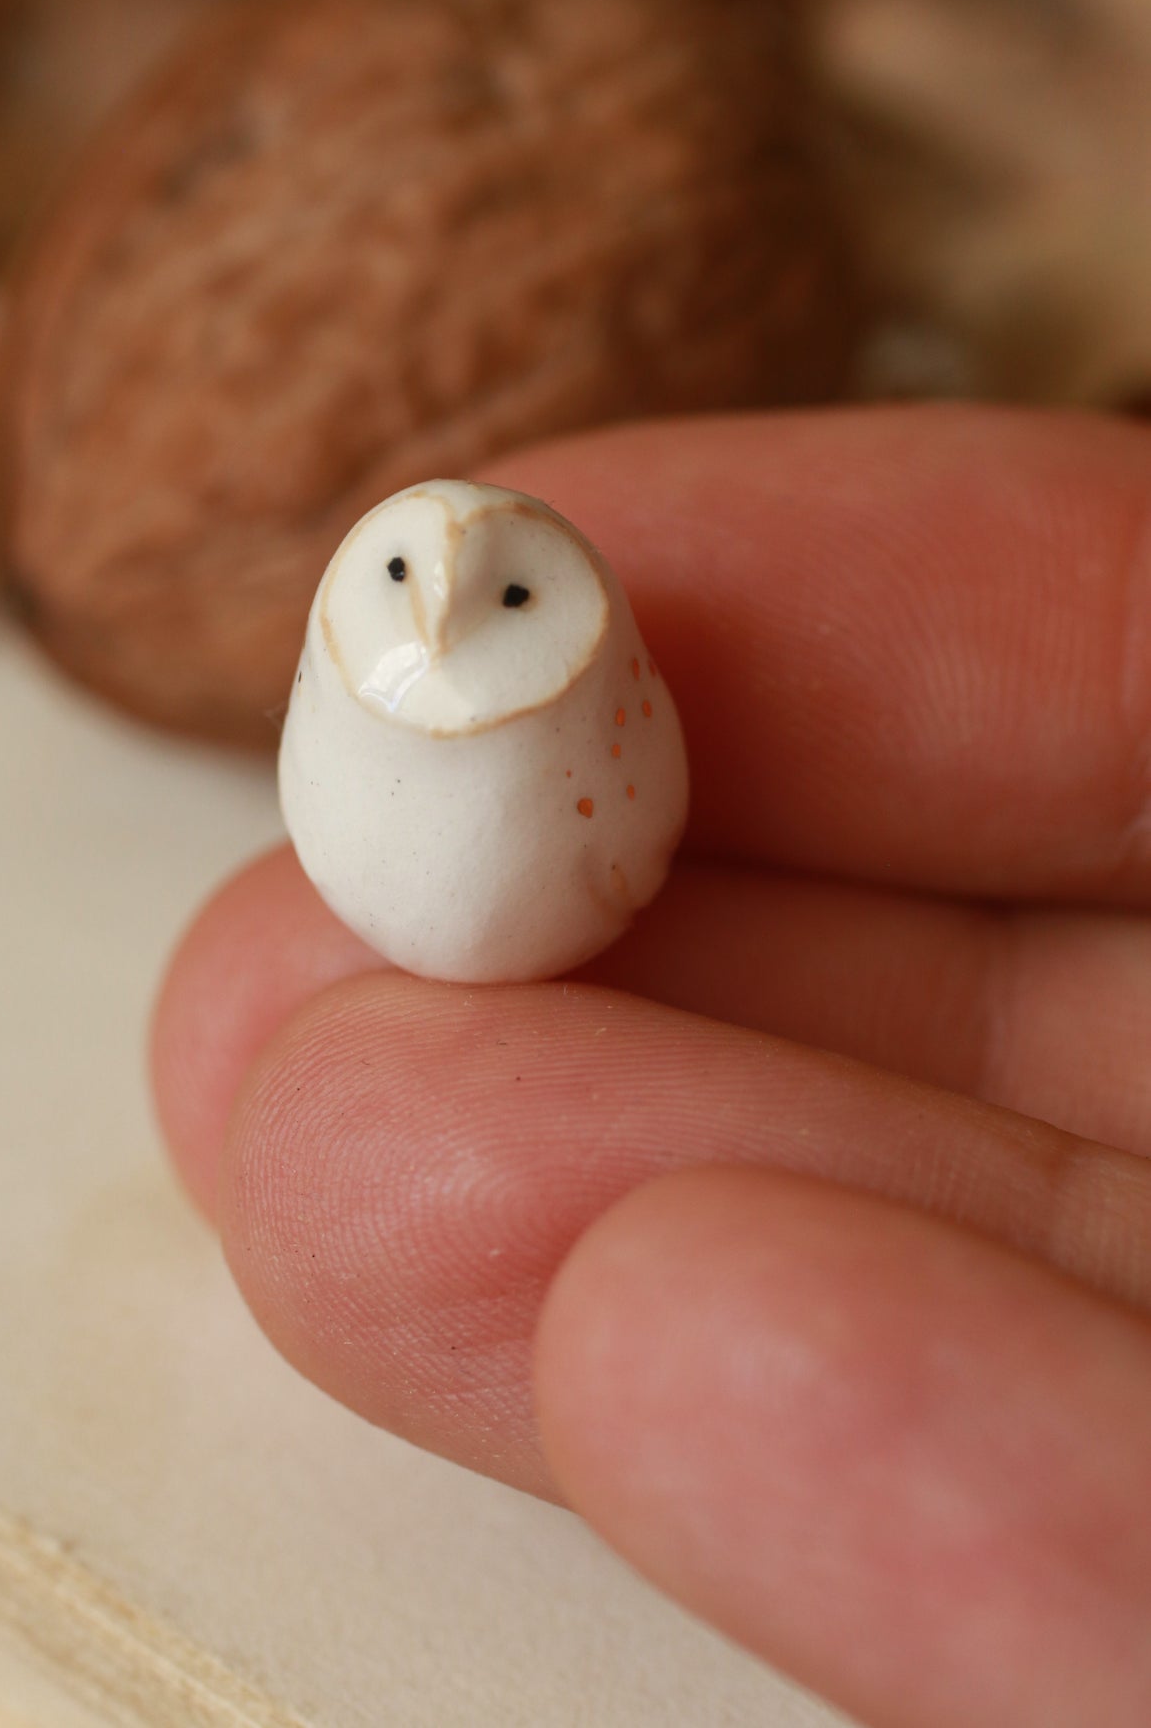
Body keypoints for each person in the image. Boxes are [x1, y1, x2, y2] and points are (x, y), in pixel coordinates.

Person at [151, 405, 1151, 1728]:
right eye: (399, 579)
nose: (445, 624)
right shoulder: (338, 724)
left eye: (510, 594)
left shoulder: (603, 730)